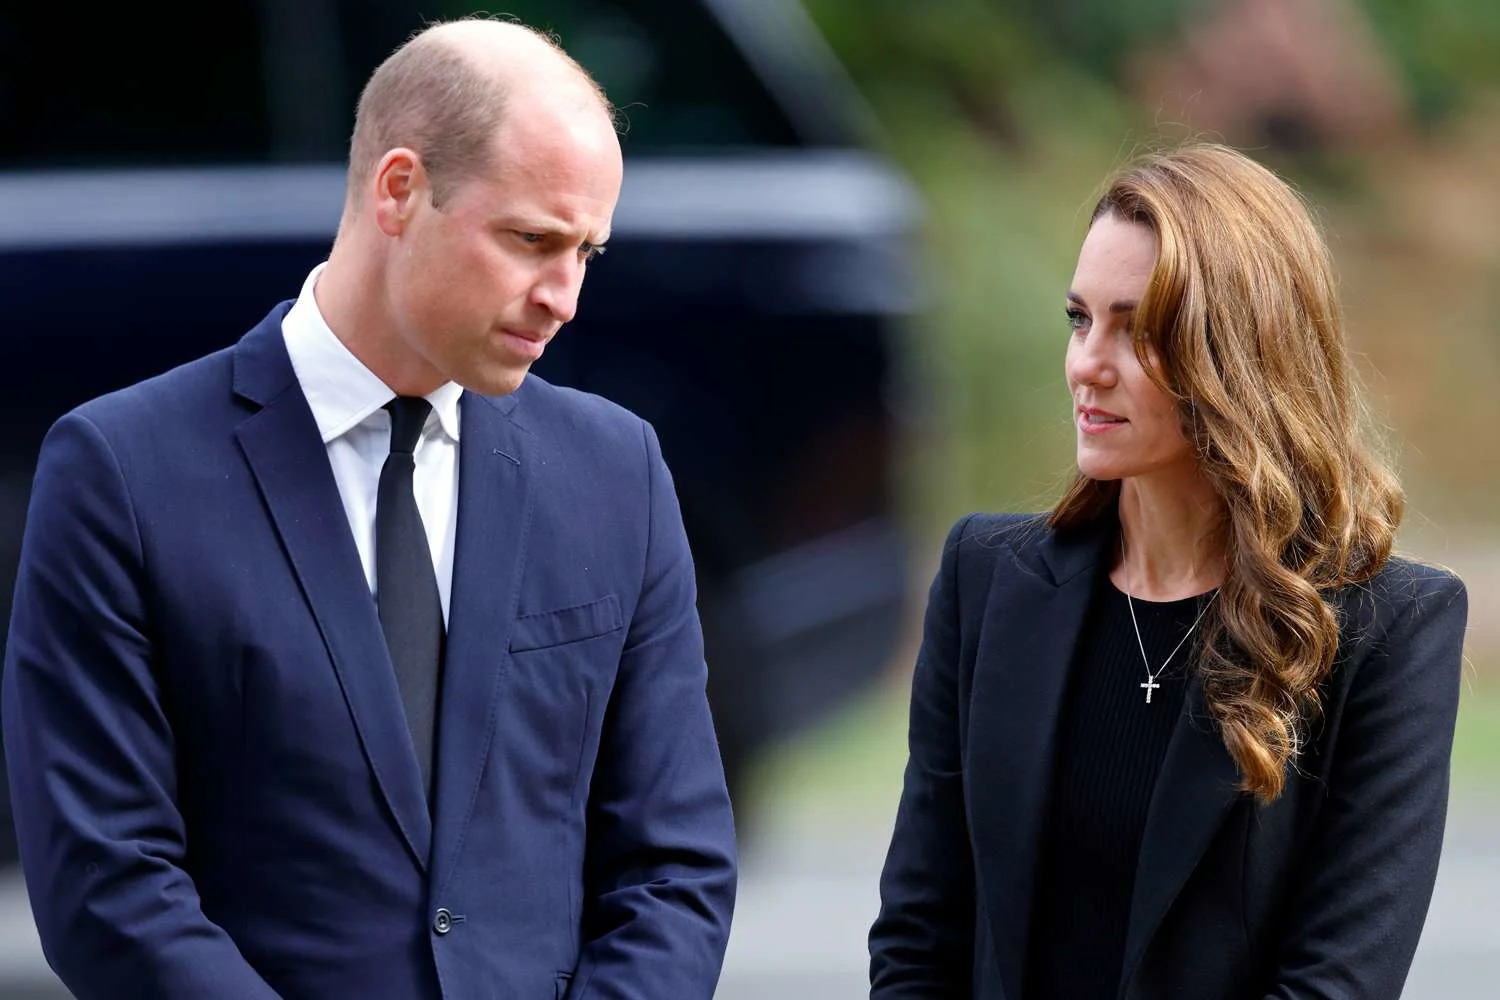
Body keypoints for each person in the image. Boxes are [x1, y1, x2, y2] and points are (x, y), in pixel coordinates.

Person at [2, 16, 736, 1000]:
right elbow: (106, 877)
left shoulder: (616, 471)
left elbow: (676, 866)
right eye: (531, 239)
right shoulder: (120, 471)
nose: (563, 294)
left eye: (586, 254)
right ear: (398, 190)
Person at [868, 142, 1467, 999]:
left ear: (1241, 352)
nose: (1087, 363)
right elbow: (919, 941)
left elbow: (1339, 980)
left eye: (1137, 329)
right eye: (1080, 319)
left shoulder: (1389, 627)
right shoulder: (985, 580)